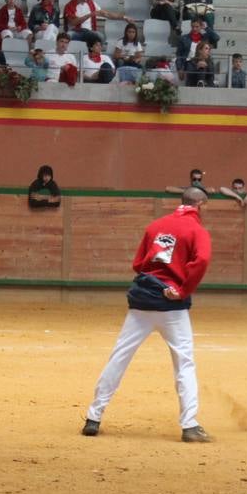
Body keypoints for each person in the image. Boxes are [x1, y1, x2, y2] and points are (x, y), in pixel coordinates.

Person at [82, 188, 213, 443]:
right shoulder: (197, 230)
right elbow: (203, 260)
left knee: (119, 357)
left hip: (142, 303)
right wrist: (183, 289)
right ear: (200, 205)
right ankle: (189, 425)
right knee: (184, 363)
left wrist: (155, 277)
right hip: (172, 307)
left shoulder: (156, 226)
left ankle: (93, 417)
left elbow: (138, 264)